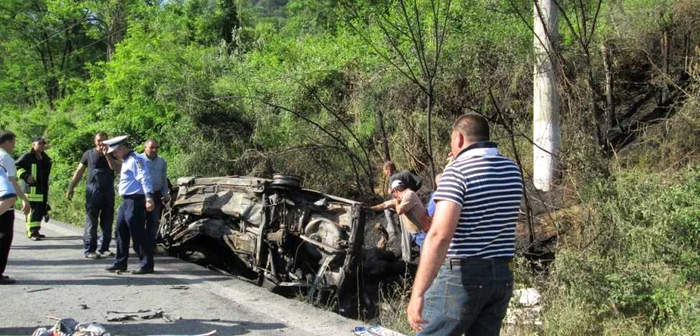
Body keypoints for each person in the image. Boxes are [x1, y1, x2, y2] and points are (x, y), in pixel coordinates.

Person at [407, 113, 524, 335]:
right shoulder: (512, 170)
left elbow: (440, 235)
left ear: (459, 138)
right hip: (501, 275)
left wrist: (418, 292)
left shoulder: (457, 171)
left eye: (452, 140)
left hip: (463, 277)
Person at [103, 136, 156, 274]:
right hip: (126, 201)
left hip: (135, 200)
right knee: (120, 230)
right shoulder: (126, 160)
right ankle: (120, 262)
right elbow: (117, 168)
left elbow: (145, 178)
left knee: (137, 232)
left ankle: (147, 264)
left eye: (115, 151)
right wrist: (108, 156)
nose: (114, 153)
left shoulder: (136, 160)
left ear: (121, 148)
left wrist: (149, 198)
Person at [67, 132, 120, 259]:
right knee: (91, 222)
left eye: (103, 140)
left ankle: (104, 248)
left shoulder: (113, 153)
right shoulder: (89, 154)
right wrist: (71, 187)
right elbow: (79, 171)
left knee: (108, 221)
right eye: (98, 140)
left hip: (108, 192)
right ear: (94, 141)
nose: (101, 143)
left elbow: (119, 168)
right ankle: (90, 249)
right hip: (93, 192)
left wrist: (108, 155)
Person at [0, 131, 31, 285]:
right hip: (4, 206)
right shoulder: (5, 157)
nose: (14, 146)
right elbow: (12, 181)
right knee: (4, 240)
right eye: (13, 143)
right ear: (6, 142)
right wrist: (24, 199)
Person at [371, 180, 429, 255]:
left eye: (392, 193)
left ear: (395, 190)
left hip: (421, 232)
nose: (393, 195)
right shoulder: (401, 198)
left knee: (428, 254)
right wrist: (370, 208)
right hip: (415, 232)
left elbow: (399, 211)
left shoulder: (409, 194)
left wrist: (395, 203)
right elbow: (385, 204)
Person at [15, 137, 52, 240]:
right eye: (39, 143)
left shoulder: (45, 158)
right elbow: (15, 166)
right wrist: (25, 176)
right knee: (32, 212)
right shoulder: (27, 157)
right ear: (33, 144)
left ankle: (36, 230)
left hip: (42, 190)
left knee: (39, 211)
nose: (41, 145)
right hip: (31, 190)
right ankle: (31, 233)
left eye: (43, 144)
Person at [139, 139, 170, 251]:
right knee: (140, 220)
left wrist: (165, 193)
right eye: (151, 147)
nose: (154, 150)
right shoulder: (139, 160)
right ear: (145, 147)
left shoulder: (161, 161)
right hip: (141, 195)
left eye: (156, 147)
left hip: (156, 195)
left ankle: (151, 245)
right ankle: (140, 245)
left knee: (153, 221)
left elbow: (163, 179)